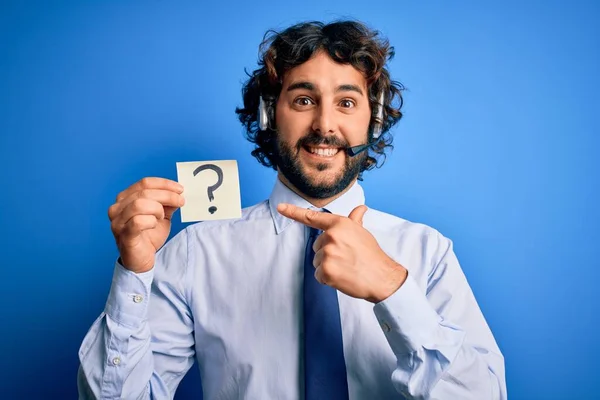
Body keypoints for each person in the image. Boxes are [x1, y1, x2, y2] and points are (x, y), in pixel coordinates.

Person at [77, 20, 506, 399]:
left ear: (372, 121)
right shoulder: (197, 251)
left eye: (347, 102)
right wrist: (134, 270)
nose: (324, 125)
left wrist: (392, 288)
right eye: (303, 100)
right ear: (268, 114)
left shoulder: (426, 252)